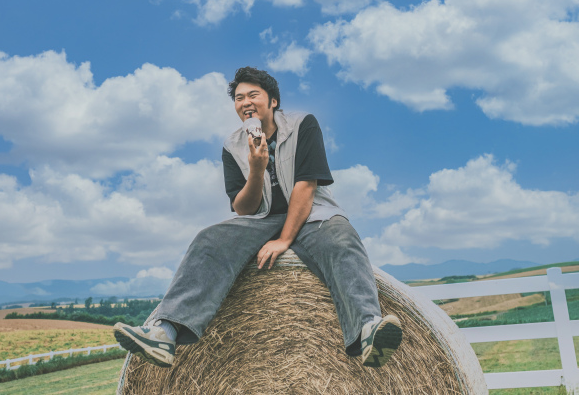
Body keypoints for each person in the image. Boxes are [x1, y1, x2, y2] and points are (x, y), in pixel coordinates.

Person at [114, 67, 402, 368]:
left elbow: (306, 186)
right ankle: (165, 333)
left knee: (341, 238)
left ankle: (368, 328)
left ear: (273, 101)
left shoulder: (304, 124)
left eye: (253, 95)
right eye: (239, 98)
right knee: (208, 240)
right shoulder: (232, 146)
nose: (245, 102)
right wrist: (256, 168)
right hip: (261, 218)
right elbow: (243, 208)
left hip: (310, 212)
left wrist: (284, 240)